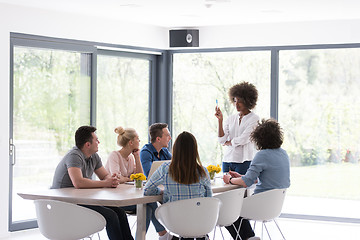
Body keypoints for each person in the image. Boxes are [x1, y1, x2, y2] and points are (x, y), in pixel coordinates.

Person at [51, 126, 134, 240]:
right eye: (96, 140)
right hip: (65, 204)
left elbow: (104, 175)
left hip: (80, 200)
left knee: (120, 212)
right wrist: (106, 183)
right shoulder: (74, 155)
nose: (99, 142)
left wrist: (112, 179)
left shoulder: (93, 156)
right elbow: (78, 182)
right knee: (111, 215)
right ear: (87, 144)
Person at [222, 119, 291, 240]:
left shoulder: (262, 155)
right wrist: (241, 176)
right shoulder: (283, 153)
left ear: (259, 138)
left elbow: (246, 183)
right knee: (234, 210)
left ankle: (249, 238)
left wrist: (230, 180)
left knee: (228, 211)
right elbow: (260, 178)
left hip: (260, 205)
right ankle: (250, 238)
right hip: (274, 206)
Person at [144, 131, 212, 240]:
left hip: (174, 221)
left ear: (175, 149)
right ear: (195, 150)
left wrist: (162, 192)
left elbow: (147, 190)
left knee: (184, 223)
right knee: (196, 219)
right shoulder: (202, 171)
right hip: (199, 221)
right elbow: (209, 199)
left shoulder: (165, 168)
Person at [105, 126, 170, 240]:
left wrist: (136, 157)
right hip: (115, 199)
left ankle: (145, 237)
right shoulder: (114, 155)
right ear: (131, 142)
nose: (139, 141)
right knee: (149, 203)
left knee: (148, 205)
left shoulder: (131, 157)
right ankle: (163, 234)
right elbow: (117, 178)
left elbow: (140, 177)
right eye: (137, 139)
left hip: (126, 196)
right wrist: (130, 178)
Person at [215, 81, 260, 175]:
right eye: (235, 100)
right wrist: (220, 121)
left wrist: (229, 142)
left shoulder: (254, 119)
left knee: (241, 189)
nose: (236, 104)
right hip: (227, 160)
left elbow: (244, 139)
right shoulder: (230, 118)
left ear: (248, 101)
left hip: (244, 161)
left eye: (240, 101)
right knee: (226, 189)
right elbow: (222, 140)